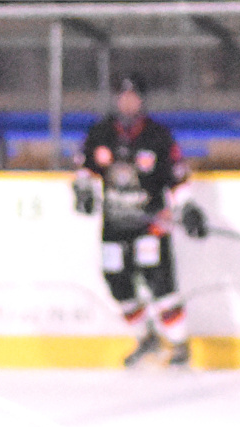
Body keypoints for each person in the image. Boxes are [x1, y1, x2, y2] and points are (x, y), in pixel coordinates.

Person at [72, 73, 207, 368]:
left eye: (133, 96)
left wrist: (187, 207)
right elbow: (86, 170)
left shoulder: (157, 136)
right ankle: (147, 338)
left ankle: (179, 345)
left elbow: (177, 177)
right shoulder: (101, 133)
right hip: (115, 225)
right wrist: (83, 191)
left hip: (151, 224)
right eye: (123, 96)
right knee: (117, 284)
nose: (127, 102)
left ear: (142, 100)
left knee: (159, 283)